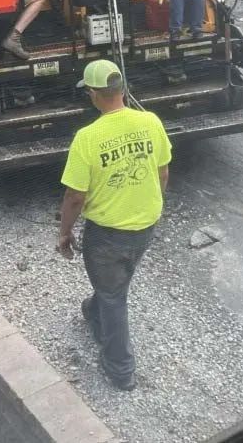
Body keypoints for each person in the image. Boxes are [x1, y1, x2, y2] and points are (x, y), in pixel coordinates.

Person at [58, 60, 171, 391]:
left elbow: (75, 197)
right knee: (113, 285)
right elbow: (162, 173)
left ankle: (120, 370)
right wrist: (150, 206)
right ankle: (93, 313)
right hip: (145, 227)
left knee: (113, 297)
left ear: (93, 94)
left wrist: (65, 232)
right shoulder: (150, 121)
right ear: (121, 89)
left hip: (107, 235)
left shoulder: (87, 138)